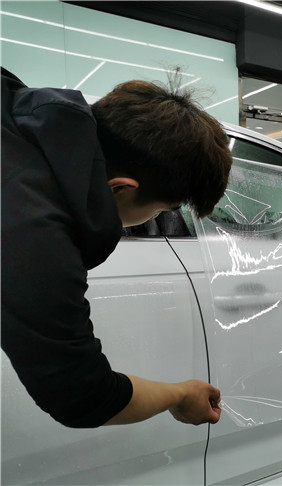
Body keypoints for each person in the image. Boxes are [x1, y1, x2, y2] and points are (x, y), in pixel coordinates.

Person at [1, 67, 232, 428]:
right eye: (161, 211)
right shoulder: (37, 237)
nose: (155, 218)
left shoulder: (16, 104)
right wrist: (180, 395)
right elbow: (83, 396)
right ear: (120, 188)